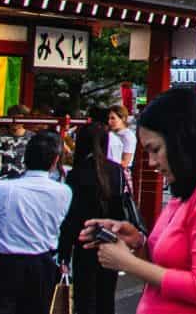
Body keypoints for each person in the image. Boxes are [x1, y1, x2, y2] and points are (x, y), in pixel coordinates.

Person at [79, 86, 196, 314]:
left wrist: (127, 263)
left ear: (183, 140)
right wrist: (136, 241)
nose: (152, 162)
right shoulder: (188, 190)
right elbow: (165, 266)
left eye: (155, 149)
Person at [0, 129, 68, 314]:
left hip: (3, 263)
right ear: (55, 161)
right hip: (41, 262)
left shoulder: (2, 188)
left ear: (25, 158)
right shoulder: (63, 192)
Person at [58, 122, 127, 314]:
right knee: (106, 297)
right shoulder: (116, 171)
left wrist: (64, 251)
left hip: (84, 241)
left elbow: (71, 217)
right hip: (110, 238)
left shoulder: (76, 174)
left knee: (84, 297)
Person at [104, 107, 135, 179]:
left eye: (113, 118)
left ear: (123, 119)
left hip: (120, 174)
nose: (109, 121)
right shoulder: (110, 133)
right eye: (108, 118)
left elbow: (125, 162)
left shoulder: (128, 136)